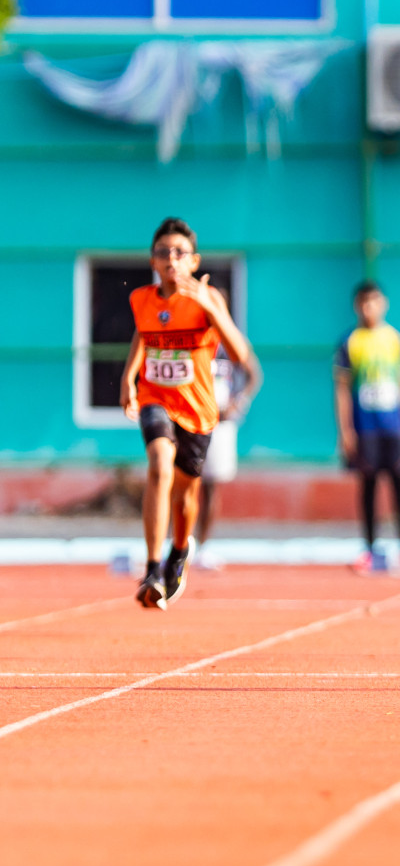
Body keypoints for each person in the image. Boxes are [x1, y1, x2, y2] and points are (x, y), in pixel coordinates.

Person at [120, 217, 256, 609]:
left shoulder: (207, 300)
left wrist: (208, 307)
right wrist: (130, 379)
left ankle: (179, 550)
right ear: (153, 261)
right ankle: (151, 566)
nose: (171, 260)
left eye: (179, 253)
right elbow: (143, 338)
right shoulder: (142, 300)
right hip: (155, 398)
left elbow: (242, 354)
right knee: (159, 465)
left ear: (193, 261)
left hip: (197, 408)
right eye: (163, 253)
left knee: (185, 496)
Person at [334, 281, 400, 574]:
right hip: (365, 428)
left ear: (384, 303)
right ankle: (371, 549)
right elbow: (342, 389)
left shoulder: (395, 339)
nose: (368, 308)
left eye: (373, 301)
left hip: (393, 427)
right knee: (369, 485)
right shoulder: (350, 341)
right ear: (355, 306)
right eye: (362, 302)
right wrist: (346, 430)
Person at [192, 344, 262, 571]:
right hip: (192, 421)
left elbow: (254, 374)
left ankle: (203, 547)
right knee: (185, 484)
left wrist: (238, 403)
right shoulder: (193, 337)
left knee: (211, 486)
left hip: (221, 424)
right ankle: (180, 545)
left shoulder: (230, 342)